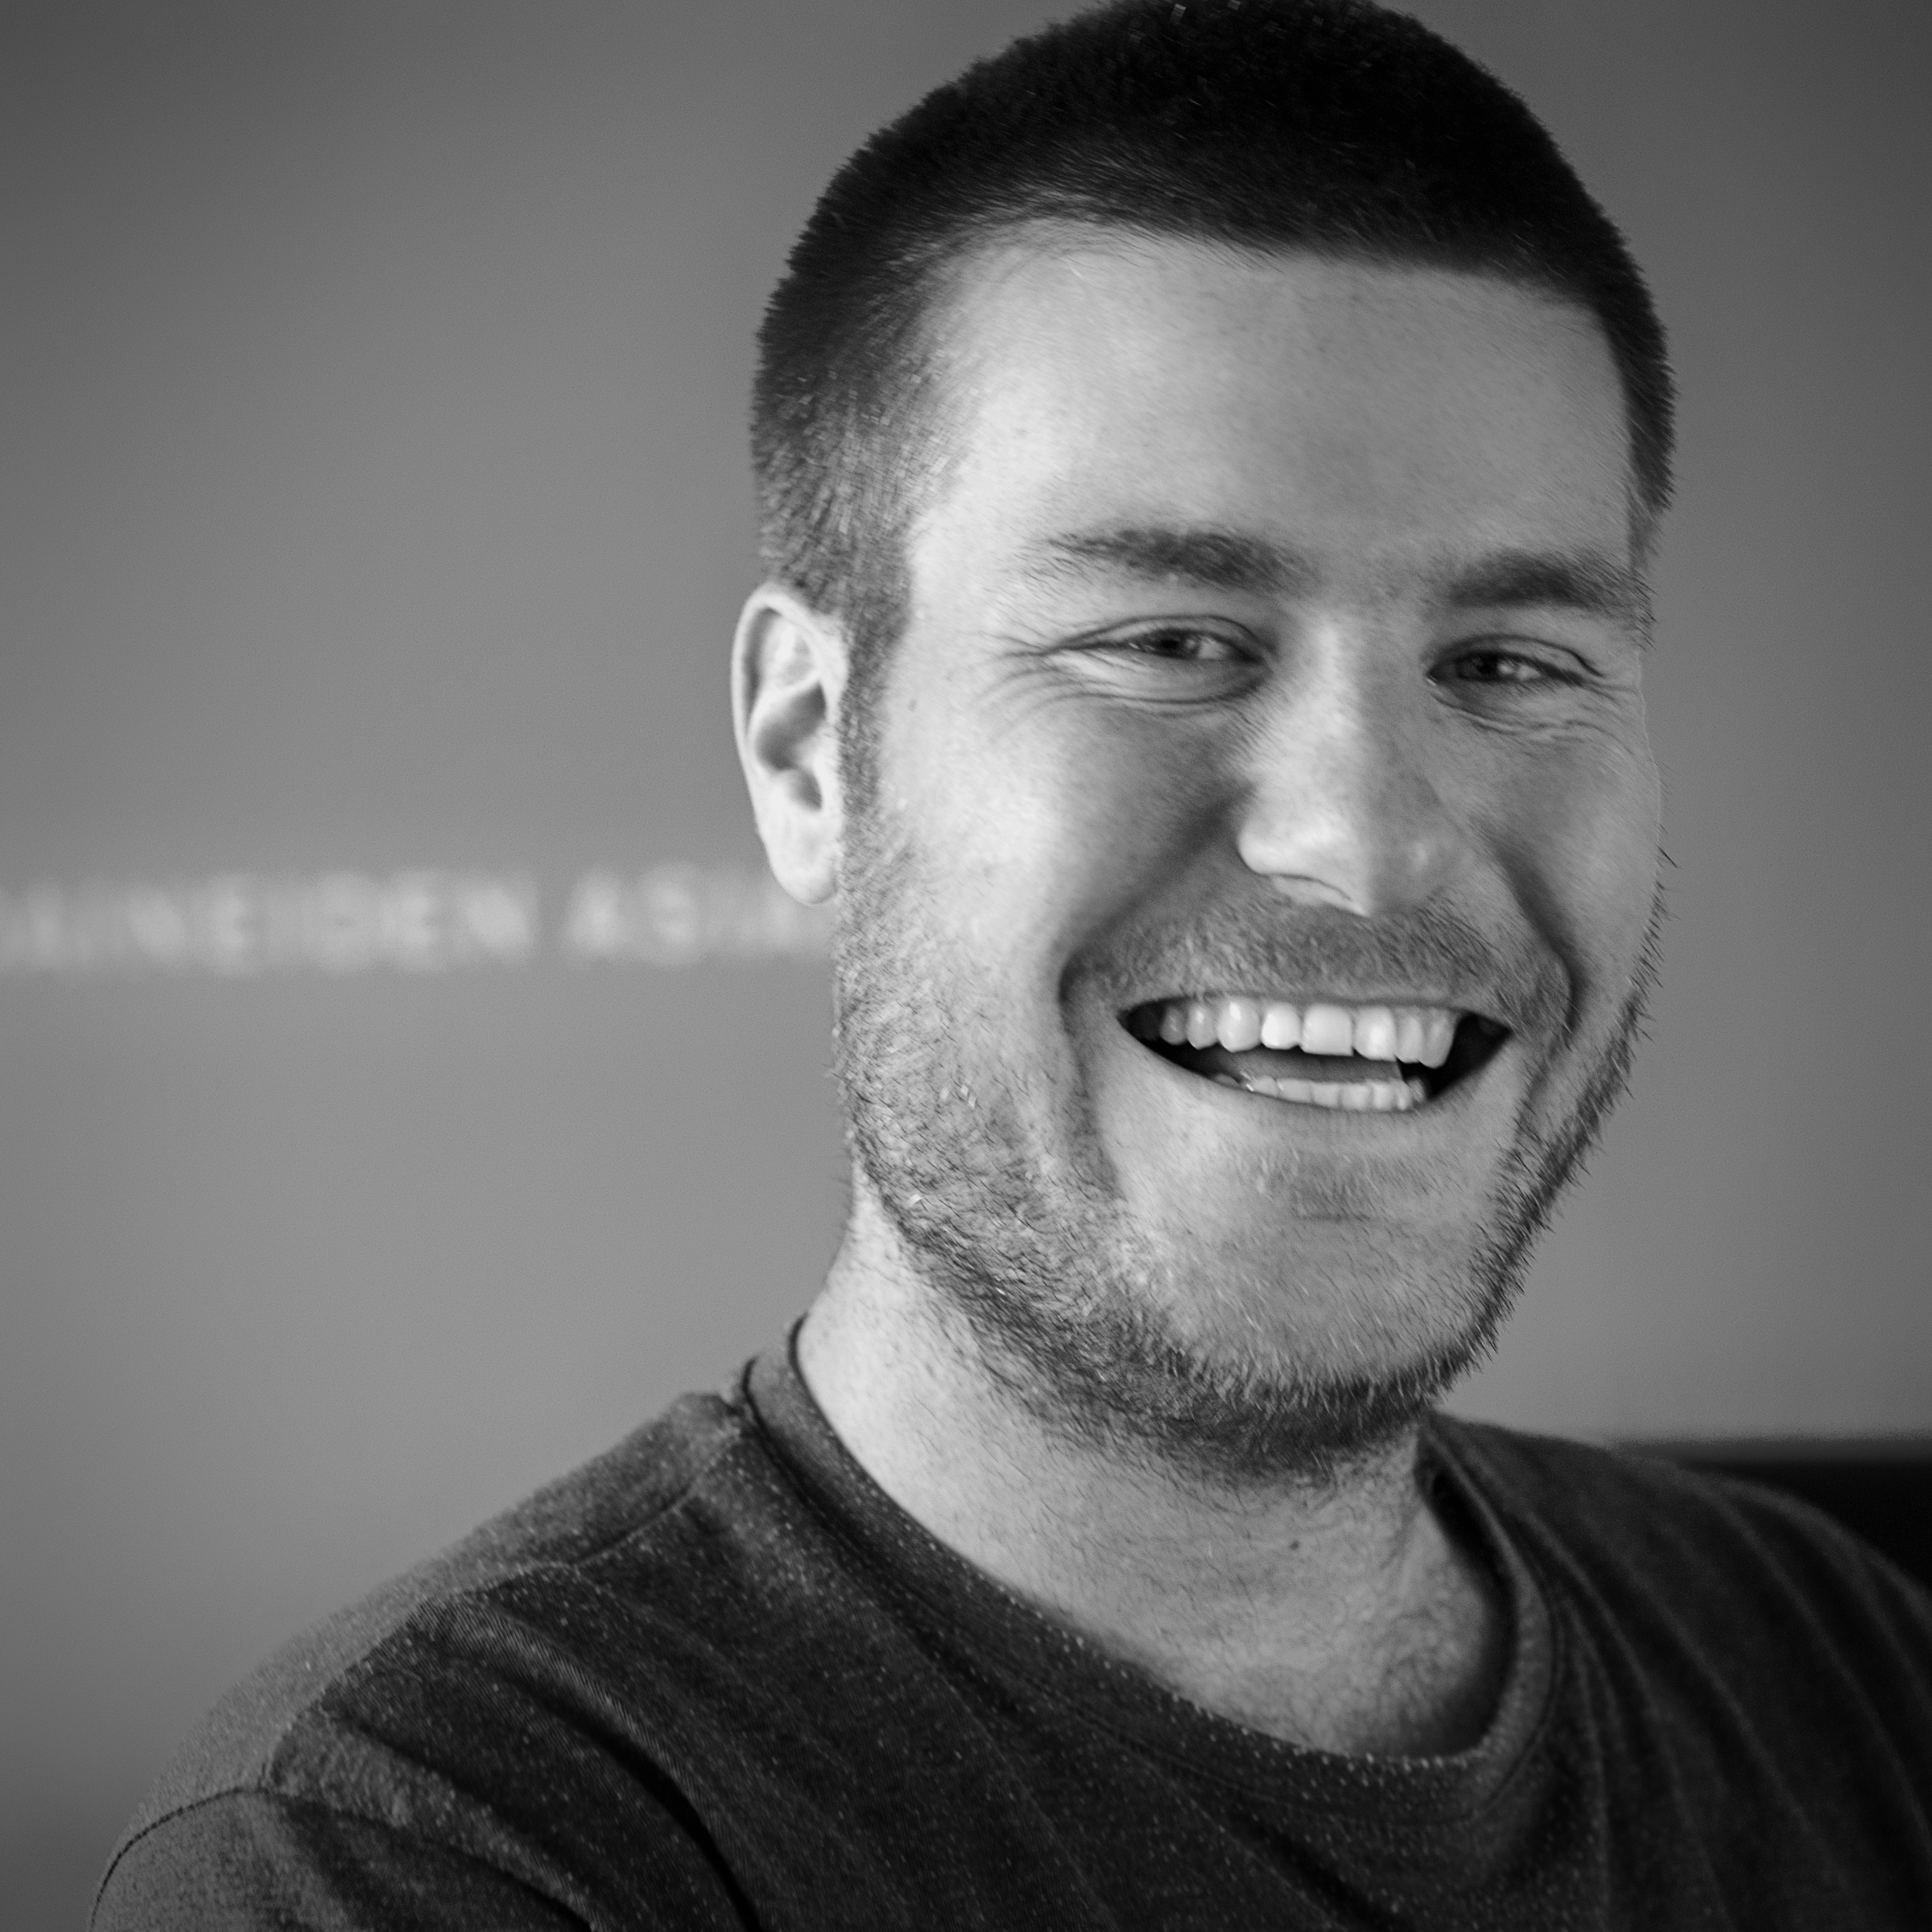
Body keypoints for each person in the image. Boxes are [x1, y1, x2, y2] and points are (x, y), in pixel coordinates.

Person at [93, 2, 1932, 1924]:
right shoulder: (434, 1849)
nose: (1374, 838)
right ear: (810, 751)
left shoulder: (1842, 1669)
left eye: (1509, 665)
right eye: (1172, 642)